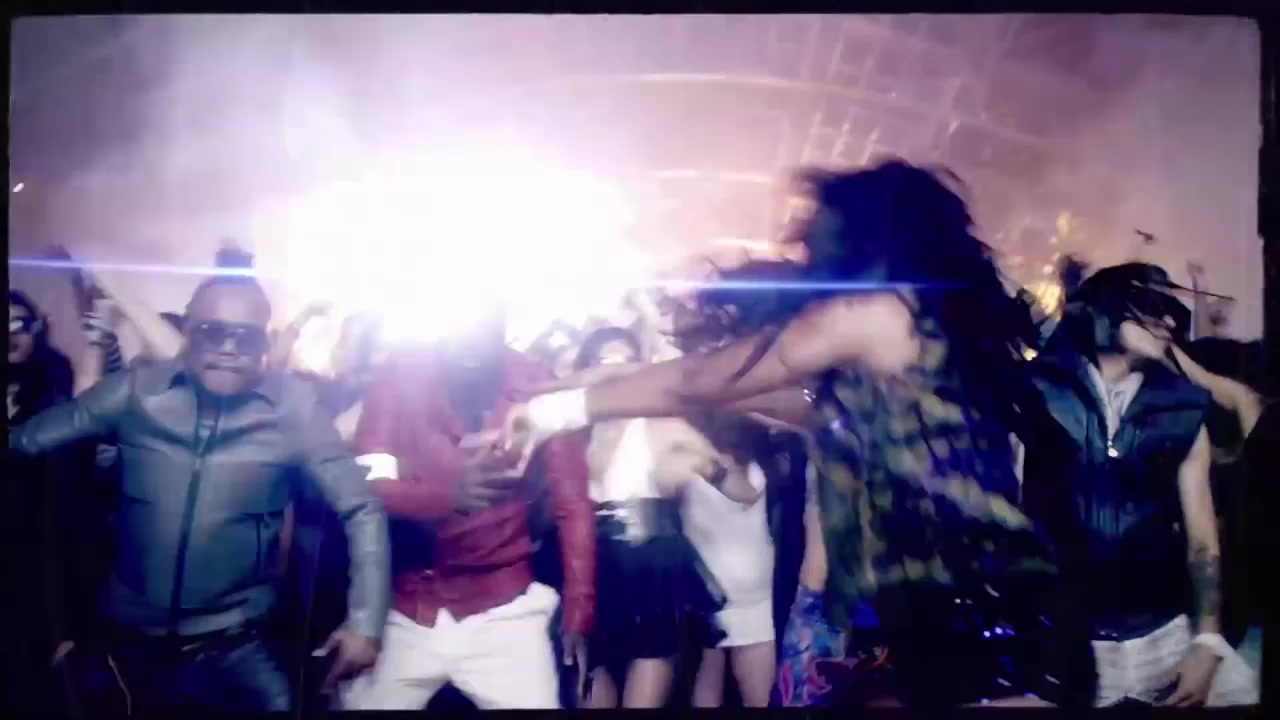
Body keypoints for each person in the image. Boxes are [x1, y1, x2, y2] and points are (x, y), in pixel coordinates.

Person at [496, 159, 1096, 709]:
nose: (808, 247)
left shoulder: (875, 314)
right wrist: (573, 391)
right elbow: (725, 390)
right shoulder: (919, 355)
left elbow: (701, 379)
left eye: (820, 231)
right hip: (992, 623)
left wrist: (559, 410)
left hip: (989, 629)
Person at [8, 273, 390, 713]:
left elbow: (361, 507)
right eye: (213, 332)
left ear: (265, 342)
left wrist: (366, 621)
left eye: (246, 337)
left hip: (237, 645)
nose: (229, 348)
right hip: (127, 641)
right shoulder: (137, 392)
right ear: (188, 331)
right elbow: (26, 442)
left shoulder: (294, 411)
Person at [1023, 262, 1259, 707]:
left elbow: (1202, 542)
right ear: (1103, 309)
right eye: (1150, 305)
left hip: (1163, 636)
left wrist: (1207, 641)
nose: (1167, 319)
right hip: (1065, 643)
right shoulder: (1036, 394)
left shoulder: (1182, 407)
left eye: (1171, 309)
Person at [341, 302, 595, 710]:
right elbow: (366, 486)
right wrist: (446, 498)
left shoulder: (535, 381)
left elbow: (573, 503)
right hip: (409, 599)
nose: (471, 341)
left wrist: (580, 610)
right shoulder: (401, 374)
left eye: (484, 326)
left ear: (503, 324)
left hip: (504, 603)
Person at [563, 327, 724, 709]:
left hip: (650, 574)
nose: (615, 370)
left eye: (626, 361)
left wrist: (695, 470)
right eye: (604, 361)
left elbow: (721, 471)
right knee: (590, 693)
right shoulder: (572, 434)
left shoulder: (658, 424)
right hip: (589, 577)